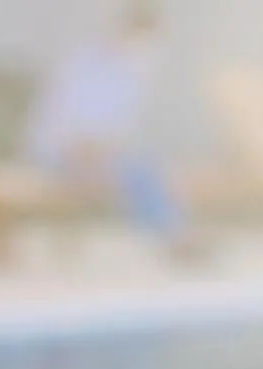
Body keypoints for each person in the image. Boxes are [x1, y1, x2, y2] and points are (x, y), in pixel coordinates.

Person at [28, 2, 196, 252]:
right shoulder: (86, 63)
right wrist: (92, 154)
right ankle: (175, 236)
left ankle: (176, 233)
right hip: (60, 156)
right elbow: (67, 128)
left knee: (144, 167)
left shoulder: (130, 71)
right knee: (139, 172)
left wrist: (106, 153)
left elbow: (114, 133)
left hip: (99, 157)